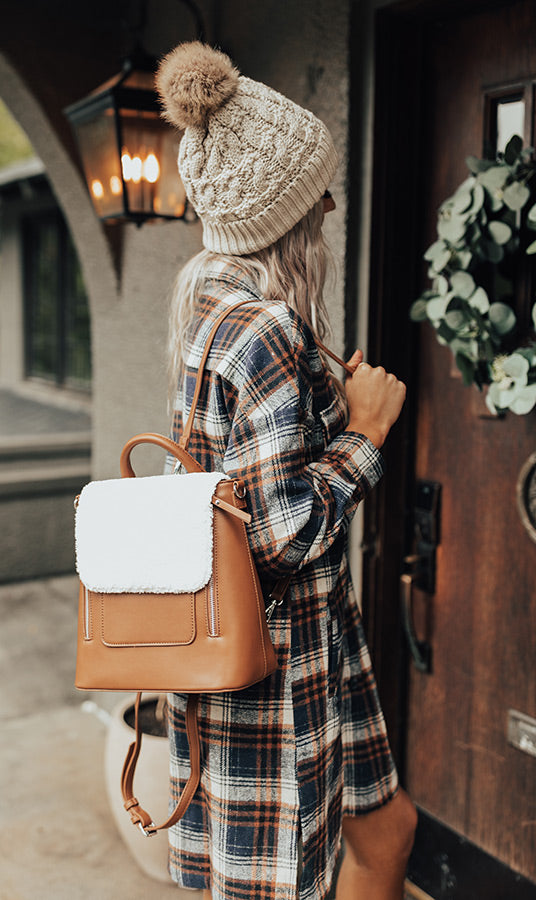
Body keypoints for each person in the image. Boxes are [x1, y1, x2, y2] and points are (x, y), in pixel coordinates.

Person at [155, 42, 416, 900]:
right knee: (278, 886)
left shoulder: (210, 312)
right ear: (287, 219)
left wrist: (331, 406)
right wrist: (367, 433)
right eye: (319, 196)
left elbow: (244, 490)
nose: (332, 206)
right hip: (274, 657)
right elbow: (280, 535)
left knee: (388, 831)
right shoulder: (264, 330)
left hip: (314, 638)